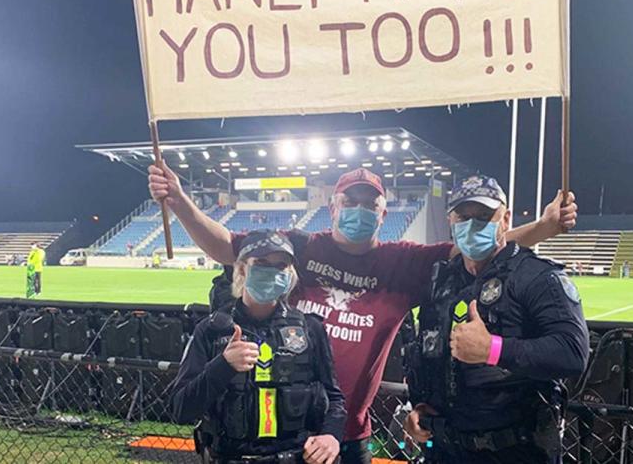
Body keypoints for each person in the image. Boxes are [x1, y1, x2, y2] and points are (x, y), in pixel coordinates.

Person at [149, 164, 577, 464]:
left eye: (369, 205)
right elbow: (226, 245)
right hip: (282, 436)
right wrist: (180, 200)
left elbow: (476, 245)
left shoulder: (402, 262)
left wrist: (544, 228)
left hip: (349, 436)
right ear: (332, 208)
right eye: (349, 202)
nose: (358, 211)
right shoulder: (299, 247)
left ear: (382, 214)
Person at [403, 175, 589, 463]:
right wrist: (419, 408)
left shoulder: (538, 276)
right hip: (445, 450)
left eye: (484, 216)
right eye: (463, 216)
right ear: (451, 221)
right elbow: (430, 355)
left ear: (506, 219)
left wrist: (493, 349)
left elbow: (573, 352)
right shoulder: (440, 283)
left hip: (517, 452)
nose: (472, 225)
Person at [170, 230, 345, 464]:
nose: (271, 272)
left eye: (280, 265)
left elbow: (335, 399)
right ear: (242, 268)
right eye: (261, 263)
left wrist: (331, 435)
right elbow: (180, 409)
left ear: (289, 273)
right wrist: (223, 366)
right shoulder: (211, 330)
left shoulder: (310, 328)